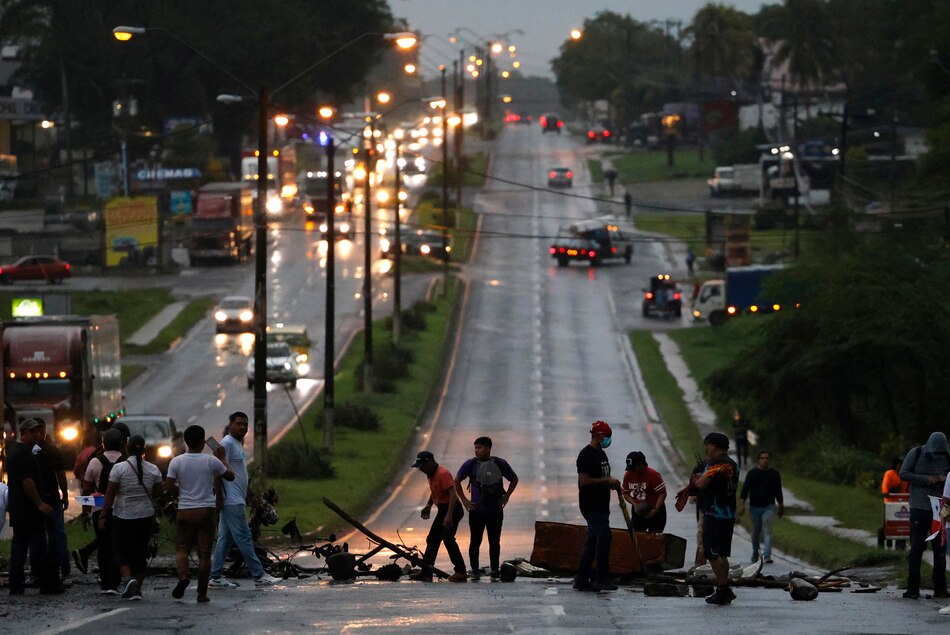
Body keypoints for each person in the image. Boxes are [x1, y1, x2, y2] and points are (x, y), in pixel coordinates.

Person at [209, 412, 281, 589]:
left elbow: (241, 474)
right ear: (231, 424)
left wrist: (250, 495)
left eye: (245, 425)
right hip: (231, 500)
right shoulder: (226, 444)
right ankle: (259, 575)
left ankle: (216, 577)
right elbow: (218, 471)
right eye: (238, 424)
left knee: (224, 539)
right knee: (244, 538)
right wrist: (219, 497)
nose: (242, 427)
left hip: (237, 498)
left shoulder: (236, 444)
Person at [165, 424, 235, 603]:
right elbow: (230, 476)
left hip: (185, 510)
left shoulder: (176, 461)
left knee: (182, 548)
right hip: (206, 510)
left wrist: (180, 491)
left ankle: (183, 576)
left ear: (186, 441)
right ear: (203, 441)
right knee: (204, 553)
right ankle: (202, 594)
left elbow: (168, 486)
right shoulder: (211, 461)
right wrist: (224, 459)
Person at [99, 434, 163, 600]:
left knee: (119, 549)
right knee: (141, 552)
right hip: (146, 516)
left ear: (126, 448)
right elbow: (158, 492)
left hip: (124, 516)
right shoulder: (153, 469)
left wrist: (103, 515)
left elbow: (110, 494)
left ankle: (128, 578)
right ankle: (138, 590)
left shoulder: (119, 468)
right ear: (144, 450)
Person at [7, 418, 63, 595]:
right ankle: (47, 584)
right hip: (29, 509)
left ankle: (15, 584)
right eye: (33, 431)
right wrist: (40, 504)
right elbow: (27, 481)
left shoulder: (15, 450)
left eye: (38, 431)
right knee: (38, 546)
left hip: (19, 507)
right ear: (23, 432)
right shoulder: (23, 453)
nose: (37, 434)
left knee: (19, 545)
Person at [455, 436, 519, 579]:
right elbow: (456, 481)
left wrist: (506, 496)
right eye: (475, 448)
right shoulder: (470, 464)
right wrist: (465, 500)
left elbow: (514, 479)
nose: (477, 450)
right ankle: (475, 568)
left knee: (494, 541)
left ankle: (495, 569)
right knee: (475, 541)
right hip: (477, 510)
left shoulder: (500, 463)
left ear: (489, 449)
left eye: (480, 448)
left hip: (495, 510)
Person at [686, 432, 739, 605]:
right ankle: (725, 587)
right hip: (729, 513)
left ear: (714, 446)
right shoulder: (733, 464)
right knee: (722, 553)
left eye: (707, 445)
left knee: (711, 552)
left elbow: (701, 484)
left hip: (714, 513)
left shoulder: (715, 463)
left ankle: (723, 588)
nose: (706, 448)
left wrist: (695, 481)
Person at [899, 432, 950, 599]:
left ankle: (940, 588)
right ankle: (913, 587)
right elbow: (904, 474)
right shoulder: (916, 453)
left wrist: (941, 480)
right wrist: (927, 479)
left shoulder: (946, 458)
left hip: (938, 511)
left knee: (940, 549)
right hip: (919, 508)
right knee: (916, 548)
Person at [574, 420, 620, 592]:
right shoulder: (586, 455)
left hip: (602, 505)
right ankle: (600, 578)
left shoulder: (601, 454)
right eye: (607, 437)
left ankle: (583, 578)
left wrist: (611, 484)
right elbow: (584, 481)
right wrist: (606, 481)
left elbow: (603, 476)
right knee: (603, 538)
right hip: (591, 505)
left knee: (594, 541)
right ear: (598, 436)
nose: (608, 440)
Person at [410, 450, 468, 582]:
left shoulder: (443, 474)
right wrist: (429, 505)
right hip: (444, 509)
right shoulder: (431, 474)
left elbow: (453, 494)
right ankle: (427, 570)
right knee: (433, 539)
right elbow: (435, 491)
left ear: (429, 462)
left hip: (452, 509)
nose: (420, 469)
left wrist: (448, 516)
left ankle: (461, 572)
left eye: (422, 466)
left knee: (448, 538)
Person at [83, 428, 126, 594]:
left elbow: (86, 488)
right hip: (121, 509)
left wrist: (85, 511)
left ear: (103, 444)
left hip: (99, 508)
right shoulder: (126, 461)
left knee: (103, 545)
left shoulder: (95, 462)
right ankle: (115, 580)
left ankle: (105, 582)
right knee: (118, 545)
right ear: (122, 443)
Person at [34, 419, 71, 583]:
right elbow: (61, 475)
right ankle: (64, 569)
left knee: (37, 535)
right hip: (53, 499)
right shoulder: (53, 450)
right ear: (45, 430)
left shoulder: (28, 452)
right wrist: (64, 495)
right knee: (58, 534)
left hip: (34, 501)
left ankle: (38, 571)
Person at [739, 450, 784, 564]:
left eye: (767, 458)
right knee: (756, 531)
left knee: (767, 530)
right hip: (754, 507)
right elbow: (745, 490)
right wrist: (742, 504)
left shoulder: (774, 474)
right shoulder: (752, 473)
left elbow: (778, 490)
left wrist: (781, 505)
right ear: (758, 460)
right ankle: (755, 552)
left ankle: (767, 555)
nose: (765, 460)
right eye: (762, 458)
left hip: (769, 506)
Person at [621, 451, 667, 533]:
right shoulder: (628, 475)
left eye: (634, 468)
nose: (632, 471)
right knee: (634, 537)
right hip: (638, 511)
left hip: (655, 511)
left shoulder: (653, 475)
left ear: (642, 465)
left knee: (653, 540)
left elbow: (662, 493)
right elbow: (626, 493)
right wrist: (634, 504)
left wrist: (656, 509)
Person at [878, 457, 910, 549]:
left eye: (902, 465)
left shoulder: (905, 475)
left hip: (904, 504)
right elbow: (885, 488)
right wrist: (886, 492)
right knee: (888, 524)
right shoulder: (889, 474)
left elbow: (908, 489)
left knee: (903, 524)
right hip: (890, 504)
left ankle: (901, 544)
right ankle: (883, 541)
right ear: (895, 466)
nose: (900, 467)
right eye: (899, 465)